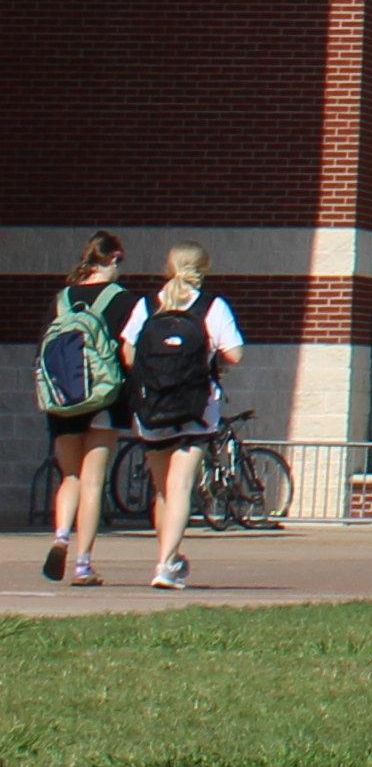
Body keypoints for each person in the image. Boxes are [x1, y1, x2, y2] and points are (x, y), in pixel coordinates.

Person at [114, 244, 244, 592]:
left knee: (163, 491)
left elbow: (127, 354)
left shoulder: (147, 306)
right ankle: (166, 564)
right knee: (181, 487)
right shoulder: (212, 307)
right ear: (205, 268)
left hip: (152, 409)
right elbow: (234, 354)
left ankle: (167, 557)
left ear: (166, 267)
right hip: (196, 411)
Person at [35, 233, 132, 585]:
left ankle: (60, 536)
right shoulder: (122, 300)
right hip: (105, 399)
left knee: (70, 476)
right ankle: (83, 564)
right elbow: (129, 352)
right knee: (94, 481)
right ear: (113, 261)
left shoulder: (62, 299)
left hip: (63, 400)